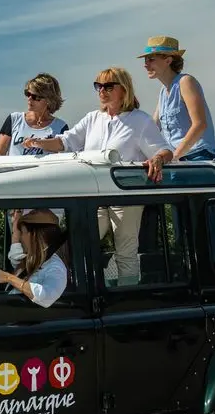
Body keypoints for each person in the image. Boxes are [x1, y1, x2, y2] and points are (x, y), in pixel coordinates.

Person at [22, 67, 167, 284]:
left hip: (125, 198)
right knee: (77, 244)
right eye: (98, 86)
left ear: (123, 89)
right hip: (94, 197)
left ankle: (127, 303)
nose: (102, 91)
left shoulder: (140, 121)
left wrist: (158, 159)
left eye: (108, 86)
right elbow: (66, 141)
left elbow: (164, 149)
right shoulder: (92, 119)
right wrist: (40, 143)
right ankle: (80, 291)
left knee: (125, 252)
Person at [138, 35, 215, 175]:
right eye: (145, 60)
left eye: (151, 59)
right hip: (177, 161)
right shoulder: (163, 92)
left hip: (199, 158)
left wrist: (174, 157)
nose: (145, 64)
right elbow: (152, 128)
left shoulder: (186, 82)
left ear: (168, 60)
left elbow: (200, 124)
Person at [0, 208, 67, 307]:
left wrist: (9, 278)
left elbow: (46, 295)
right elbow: (15, 253)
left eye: (23, 233)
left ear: (34, 235)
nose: (21, 237)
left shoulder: (55, 267)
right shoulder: (31, 260)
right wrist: (17, 219)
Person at [0, 73, 68, 156]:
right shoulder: (14, 119)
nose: (29, 98)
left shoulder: (61, 127)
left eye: (35, 96)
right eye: (28, 94)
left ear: (48, 99)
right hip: (16, 169)